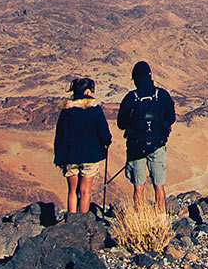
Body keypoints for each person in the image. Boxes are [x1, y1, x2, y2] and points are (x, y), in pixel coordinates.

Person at [116, 61, 177, 215]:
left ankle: (140, 217)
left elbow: (121, 124)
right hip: (157, 145)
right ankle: (161, 218)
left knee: (138, 186)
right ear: (150, 76)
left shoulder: (130, 98)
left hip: (136, 147)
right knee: (159, 185)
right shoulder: (162, 95)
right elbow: (171, 118)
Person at [52, 77, 112, 215]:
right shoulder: (95, 109)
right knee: (85, 192)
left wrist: (58, 157)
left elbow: (59, 136)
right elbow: (104, 132)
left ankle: (71, 220)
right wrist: (107, 141)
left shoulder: (66, 111)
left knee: (72, 191)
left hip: (69, 156)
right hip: (90, 156)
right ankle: (82, 222)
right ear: (88, 91)